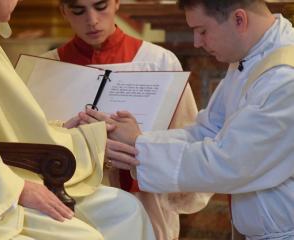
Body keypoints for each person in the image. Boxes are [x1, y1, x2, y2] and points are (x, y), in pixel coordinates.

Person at [82, 0, 294, 239]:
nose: (197, 42)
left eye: (202, 30)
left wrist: (139, 149)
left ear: (239, 20)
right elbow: (208, 131)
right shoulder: (249, 57)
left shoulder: (284, 78)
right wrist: (138, 140)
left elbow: (229, 162)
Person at [0, 0, 155, 239]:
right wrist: (16, 188)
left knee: (125, 210)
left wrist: (63, 133)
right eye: (78, 10)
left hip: (1, 171)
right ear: (64, 11)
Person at [41, 0, 211, 239]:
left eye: (101, 7)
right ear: (63, 11)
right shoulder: (46, 68)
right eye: (78, 11)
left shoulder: (159, 62)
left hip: (145, 200)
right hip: (72, 205)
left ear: (116, 3)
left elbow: (185, 137)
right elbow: (32, 146)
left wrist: (141, 142)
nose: (92, 20)